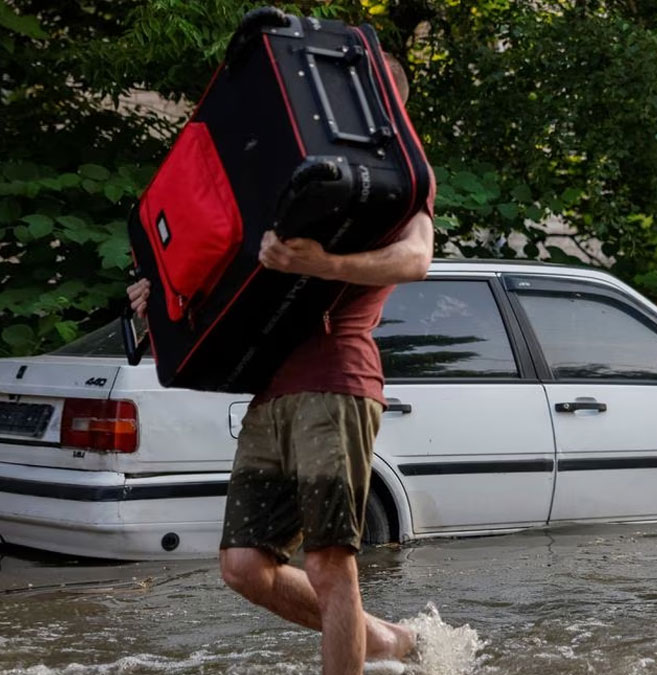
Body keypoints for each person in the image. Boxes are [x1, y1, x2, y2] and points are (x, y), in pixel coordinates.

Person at [127, 56, 433, 675]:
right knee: (244, 566)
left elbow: (417, 258)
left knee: (328, 562)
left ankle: (368, 648)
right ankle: (386, 641)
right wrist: (159, 302)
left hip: (336, 381)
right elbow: (229, 279)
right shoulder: (286, 174)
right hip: (271, 392)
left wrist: (328, 265)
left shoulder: (397, 182)